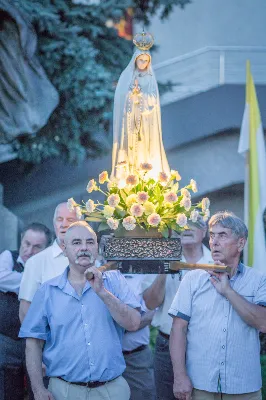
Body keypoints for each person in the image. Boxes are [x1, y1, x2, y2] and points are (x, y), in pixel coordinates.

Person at [19, 221, 142, 400]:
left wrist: (102, 292)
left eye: (90, 242)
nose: (84, 247)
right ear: (64, 248)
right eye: (76, 243)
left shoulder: (115, 281)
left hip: (112, 390)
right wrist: (38, 389)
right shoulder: (48, 291)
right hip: (63, 391)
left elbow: (134, 323)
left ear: (97, 247)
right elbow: (33, 343)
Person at [169, 211, 266, 400]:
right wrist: (180, 376)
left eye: (223, 235)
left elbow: (263, 323)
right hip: (201, 384)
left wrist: (228, 291)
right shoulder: (192, 279)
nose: (214, 241)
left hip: (243, 387)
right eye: (212, 235)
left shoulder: (258, 280)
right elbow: (178, 329)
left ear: (240, 243)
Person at [142, 218, 213, 400]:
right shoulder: (161, 258)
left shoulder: (215, 261)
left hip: (206, 346)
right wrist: (165, 268)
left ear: (204, 231)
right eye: (181, 223)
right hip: (167, 346)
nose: (187, 228)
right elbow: (150, 303)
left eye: (194, 223)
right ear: (172, 232)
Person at [0, 222, 52, 400]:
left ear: (46, 249)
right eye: (26, 243)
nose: (29, 250)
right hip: (7, 343)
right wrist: (33, 282)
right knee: (7, 393)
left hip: (39, 345)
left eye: (37, 246)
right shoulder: (9, 256)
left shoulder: (50, 268)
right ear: (21, 240)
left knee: (39, 391)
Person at [111, 32, 170, 182]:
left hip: (146, 122)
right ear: (135, 60)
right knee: (130, 151)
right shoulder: (127, 77)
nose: (143, 63)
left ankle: (146, 176)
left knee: (145, 150)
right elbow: (120, 97)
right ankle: (128, 176)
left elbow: (153, 100)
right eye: (140, 60)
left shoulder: (150, 79)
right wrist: (131, 94)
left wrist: (142, 97)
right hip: (130, 120)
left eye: (145, 61)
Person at [19, 202, 78, 322]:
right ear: (54, 222)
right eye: (59, 219)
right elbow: (26, 314)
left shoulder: (93, 260)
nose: (63, 224)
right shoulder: (35, 262)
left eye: (70, 220)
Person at [122, 274, 156, 400]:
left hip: (136, 359)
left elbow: (151, 313)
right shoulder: (97, 271)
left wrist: (120, 327)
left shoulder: (145, 274)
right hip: (105, 359)